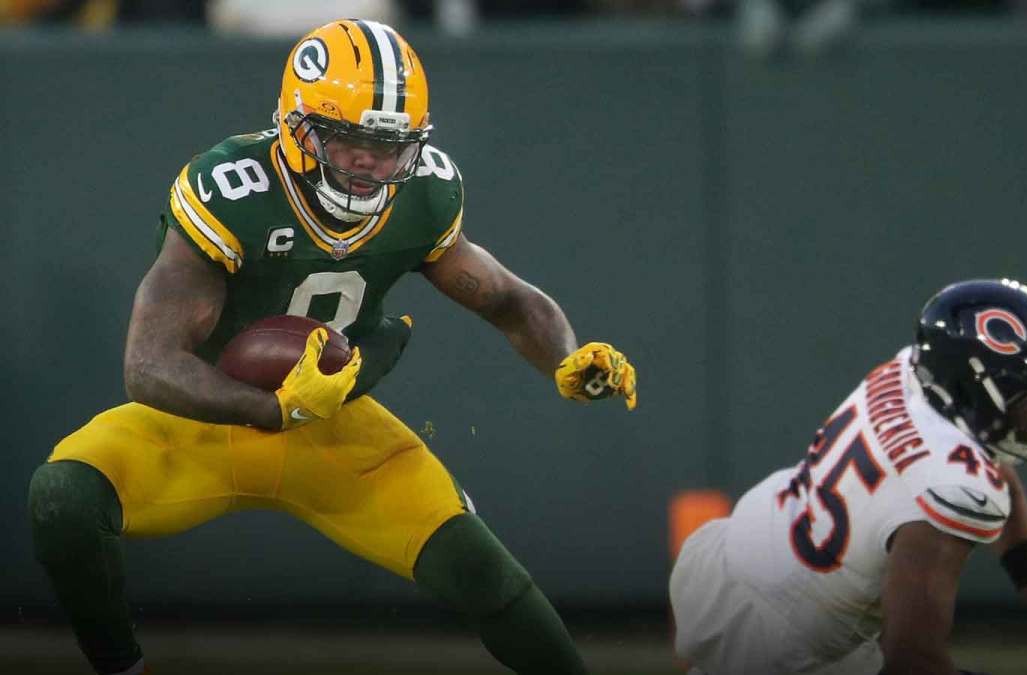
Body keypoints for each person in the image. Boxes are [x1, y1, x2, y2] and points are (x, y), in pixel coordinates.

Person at [28, 19, 637, 675]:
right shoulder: (232, 191)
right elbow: (147, 366)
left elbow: (509, 299)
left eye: (388, 144)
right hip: (202, 420)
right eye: (347, 139)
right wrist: (270, 409)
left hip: (331, 422)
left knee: (482, 568)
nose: (368, 162)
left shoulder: (426, 194)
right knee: (63, 496)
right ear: (295, 126)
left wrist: (565, 356)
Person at [669, 279, 1027, 675]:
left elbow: (992, 473)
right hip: (787, 641)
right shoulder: (952, 488)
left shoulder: (914, 374)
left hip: (737, 549)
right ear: (980, 387)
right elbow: (912, 661)